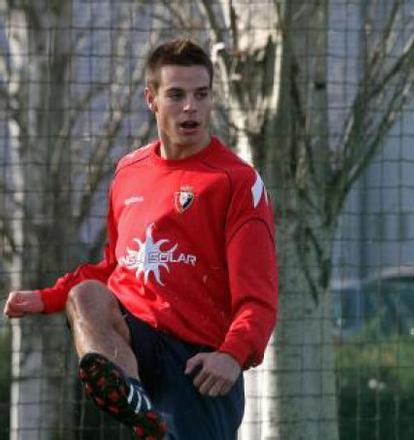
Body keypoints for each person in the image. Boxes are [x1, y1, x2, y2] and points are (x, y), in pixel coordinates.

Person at [3, 38, 278, 440]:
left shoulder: (237, 181)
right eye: (176, 95)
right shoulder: (130, 171)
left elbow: (259, 297)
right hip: (139, 342)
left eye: (201, 95)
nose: (191, 107)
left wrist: (232, 356)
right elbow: (117, 267)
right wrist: (48, 298)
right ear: (151, 99)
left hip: (198, 363)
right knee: (88, 295)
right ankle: (132, 396)